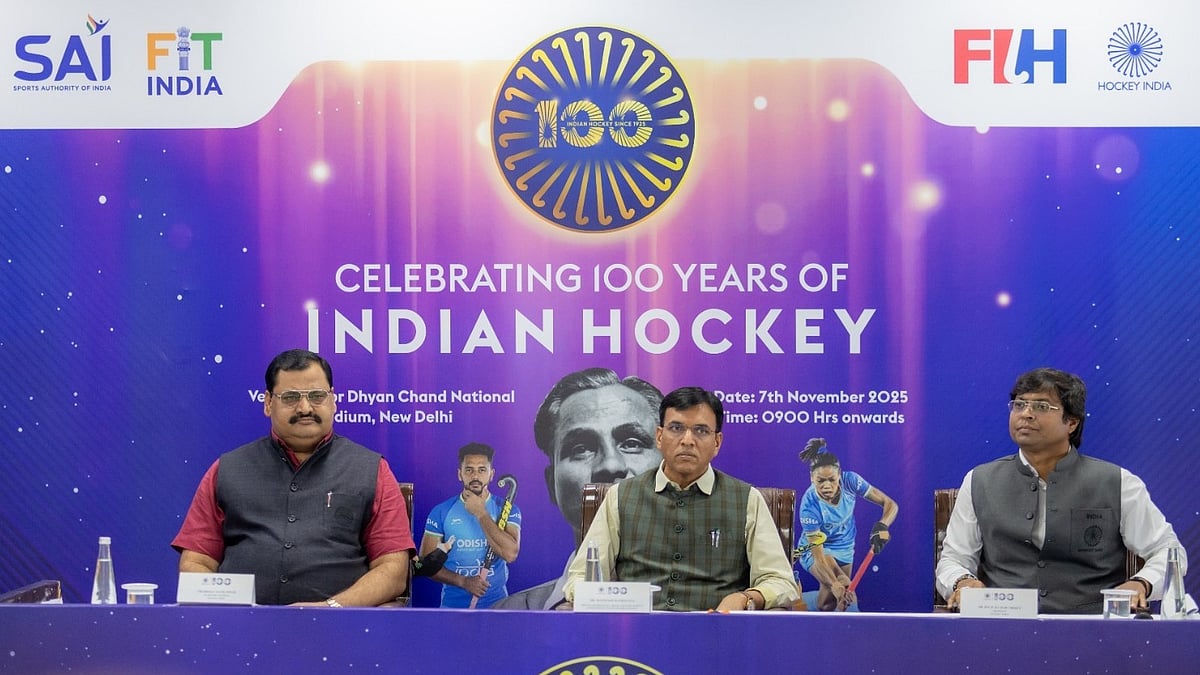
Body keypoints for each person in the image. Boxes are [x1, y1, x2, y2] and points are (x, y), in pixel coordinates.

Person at [172, 349, 415, 606]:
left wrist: (331, 608)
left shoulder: (372, 470)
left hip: (339, 632)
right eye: (290, 397)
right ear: (267, 403)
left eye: (317, 396)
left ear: (333, 401)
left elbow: (393, 571)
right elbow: (195, 562)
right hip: (241, 632)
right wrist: (231, 614)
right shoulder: (227, 469)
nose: (305, 408)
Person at [936, 367, 1187, 614]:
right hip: (1004, 624)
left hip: (1095, 628)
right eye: (1019, 404)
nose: (1027, 414)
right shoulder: (979, 480)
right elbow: (954, 558)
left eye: (1042, 406)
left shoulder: (1119, 482)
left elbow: (1169, 552)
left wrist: (1141, 583)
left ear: (1072, 423)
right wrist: (962, 582)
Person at [562, 386, 802, 611]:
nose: (687, 440)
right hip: (635, 636)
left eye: (701, 430)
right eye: (676, 428)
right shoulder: (620, 496)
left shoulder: (747, 499)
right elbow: (581, 577)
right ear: (659, 436)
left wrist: (746, 598)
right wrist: (603, 599)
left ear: (717, 442)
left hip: (716, 634)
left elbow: (780, 581)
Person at [492, 367, 663, 609]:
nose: (611, 464)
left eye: (632, 443)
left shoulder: (712, 608)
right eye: (581, 448)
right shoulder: (505, 617)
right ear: (552, 484)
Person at [796, 437, 898, 611]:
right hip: (816, 550)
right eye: (821, 481)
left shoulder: (851, 481)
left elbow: (890, 504)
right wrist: (834, 583)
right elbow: (820, 558)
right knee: (840, 584)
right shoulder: (809, 506)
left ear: (840, 475)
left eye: (832, 480)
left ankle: (806, 603)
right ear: (812, 478)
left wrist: (882, 525)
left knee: (828, 603)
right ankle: (799, 606)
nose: (827, 486)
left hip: (845, 545)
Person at [420, 442, 522, 608]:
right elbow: (426, 565)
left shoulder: (506, 508)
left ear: (491, 474)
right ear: (460, 474)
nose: (475, 476)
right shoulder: (441, 511)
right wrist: (463, 581)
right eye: (469, 470)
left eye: (482, 470)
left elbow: (510, 554)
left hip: (497, 607)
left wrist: (481, 513)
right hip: (452, 609)